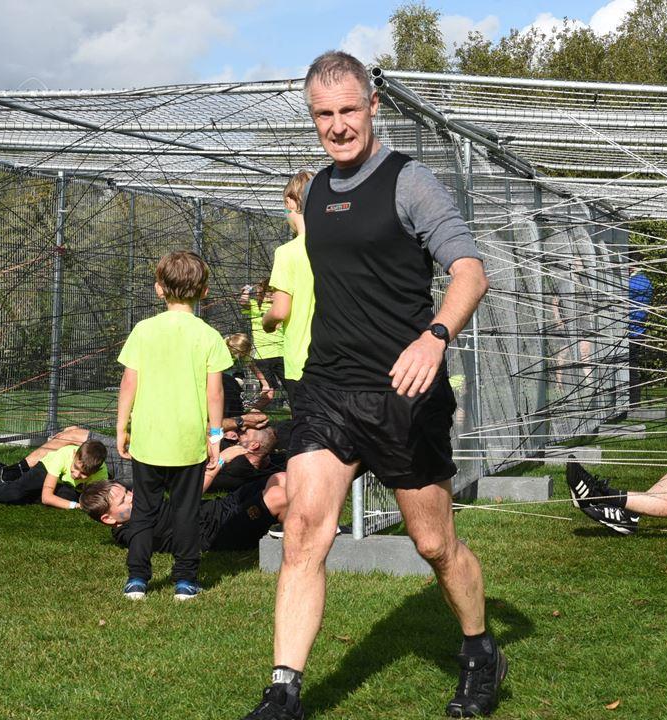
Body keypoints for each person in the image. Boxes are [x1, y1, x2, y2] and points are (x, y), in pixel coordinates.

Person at [241, 52, 496, 720]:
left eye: (349, 110)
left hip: (404, 392)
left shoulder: (411, 183)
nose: (338, 125)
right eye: (323, 115)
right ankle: (283, 693)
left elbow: (470, 272)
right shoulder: (315, 194)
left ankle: (479, 650)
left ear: (373, 105)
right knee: (304, 531)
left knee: (434, 544)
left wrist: (434, 337)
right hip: (328, 388)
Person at [116, 250, 231, 602]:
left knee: (143, 510)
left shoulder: (143, 330)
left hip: (149, 438)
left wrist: (121, 426)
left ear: (159, 289)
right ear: (204, 291)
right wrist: (215, 436)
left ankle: (137, 579)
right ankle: (185, 581)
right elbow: (215, 392)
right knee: (186, 511)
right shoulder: (209, 336)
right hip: (188, 441)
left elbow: (129, 383)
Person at [80, 474, 286, 554]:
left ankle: (291, 526)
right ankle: (296, 539)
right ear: (108, 518)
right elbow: (188, 499)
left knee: (281, 477)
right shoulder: (133, 533)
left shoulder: (138, 510)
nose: (132, 497)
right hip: (221, 532)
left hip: (222, 506)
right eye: (123, 500)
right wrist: (219, 464)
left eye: (127, 492)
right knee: (277, 496)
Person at [261, 170, 316, 409]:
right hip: (339, 359)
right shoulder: (338, 247)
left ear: (290, 203)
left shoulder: (287, 253)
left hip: (302, 361)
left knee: (308, 426)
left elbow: (280, 310)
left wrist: (266, 322)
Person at [0, 426, 108, 509]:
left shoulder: (101, 474)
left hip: (64, 484)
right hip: (45, 470)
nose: (77, 474)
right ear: (75, 454)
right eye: (75, 467)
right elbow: (47, 497)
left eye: (84, 475)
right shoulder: (62, 456)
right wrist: (77, 506)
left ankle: (10, 485)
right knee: (16, 493)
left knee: (65, 497)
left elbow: (98, 500)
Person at [242, 280, 285, 408]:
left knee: (292, 387)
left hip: (281, 354)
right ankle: (253, 415)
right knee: (268, 391)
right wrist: (246, 291)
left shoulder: (281, 307)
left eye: (273, 292)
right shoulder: (255, 305)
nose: (271, 295)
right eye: (268, 292)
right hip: (262, 356)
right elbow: (243, 302)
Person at [223, 333, 275, 418]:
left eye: (241, 353)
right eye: (235, 353)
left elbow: (253, 367)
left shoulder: (243, 352)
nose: (238, 356)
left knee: (236, 385)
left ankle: (236, 414)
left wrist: (265, 384)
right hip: (216, 373)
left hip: (230, 374)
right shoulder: (221, 347)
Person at [626, 252, 653, 406]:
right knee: (632, 366)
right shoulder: (644, 281)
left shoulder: (635, 282)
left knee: (631, 368)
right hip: (638, 330)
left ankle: (633, 402)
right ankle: (633, 401)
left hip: (633, 330)